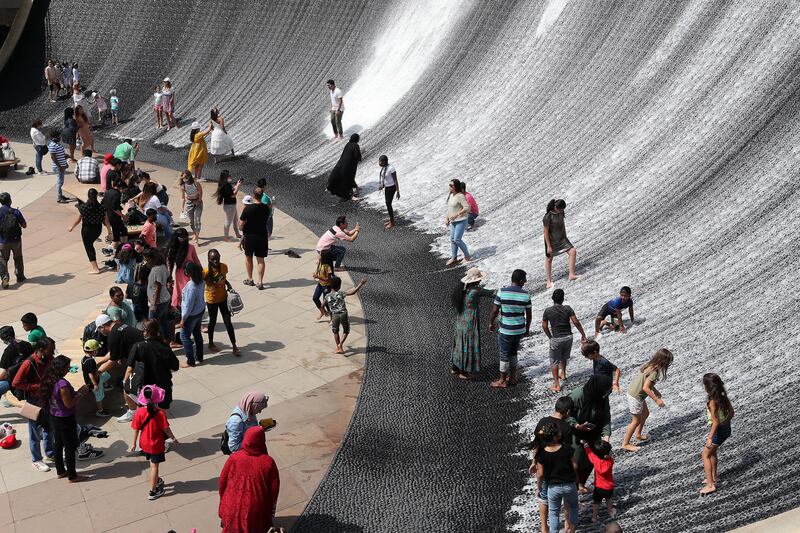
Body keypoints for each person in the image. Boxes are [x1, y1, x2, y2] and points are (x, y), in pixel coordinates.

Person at [219, 426, 280, 532]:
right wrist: (268, 508)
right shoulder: (268, 462)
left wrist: (223, 500)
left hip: (230, 506)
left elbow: (222, 481)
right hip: (254, 511)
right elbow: (274, 489)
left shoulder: (234, 458)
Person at [41, 354, 90, 482]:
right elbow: (69, 404)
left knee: (58, 444)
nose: (69, 369)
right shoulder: (62, 384)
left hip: (54, 416)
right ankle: (72, 476)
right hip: (65, 419)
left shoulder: (50, 379)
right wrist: (81, 393)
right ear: (61, 369)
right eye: (67, 367)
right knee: (69, 447)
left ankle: (61, 471)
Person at [530, 397, 574, 533]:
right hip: (561, 470)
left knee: (544, 498)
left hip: (544, 465)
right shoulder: (566, 428)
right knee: (566, 500)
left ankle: (544, 528)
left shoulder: (543, 421)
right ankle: (567, 525)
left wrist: (533, 462)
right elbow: (567, 452)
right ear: (568, 411)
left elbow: (536, 443)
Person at [12, 337, 56, 472]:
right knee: (35, 432)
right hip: (34, 402)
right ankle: (36, 459)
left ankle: (50, 452)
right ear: (41, 350)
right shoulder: (28, 363)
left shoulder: (49, 359)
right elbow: (16, 383)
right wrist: (35, 386)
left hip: (47, 398)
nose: (53, 353)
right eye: (50, 350)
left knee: (49, 428)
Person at [564, 375, 613, 490]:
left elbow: (606, 416)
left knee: (592, 460)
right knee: (577, 461)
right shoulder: (577, 396)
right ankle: (573, 488)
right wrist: (577, 425)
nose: (609, 391)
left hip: (594, 433)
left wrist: (606, 435)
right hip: (576, 435)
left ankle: (581, 484)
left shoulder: (602, 396)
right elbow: (564, 413)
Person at [94, 313, 145, 423]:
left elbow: (112, 361)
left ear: (102, 327)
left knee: (127, 385)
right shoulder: (119, 327)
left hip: (142, 360)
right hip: (144, 355)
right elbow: (113, 353)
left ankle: (133, 413)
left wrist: (98, 372)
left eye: (99, 330)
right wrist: (100, 361)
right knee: (134, 385)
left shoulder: (113, 336)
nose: (100, 333)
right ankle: (140, 405)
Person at [131, 384, 178, 500]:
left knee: (151, 464)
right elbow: (166, 429)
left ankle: (156, 480)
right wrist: (173, 438)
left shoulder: (139, 412)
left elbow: (136, 429)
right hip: (156, 444)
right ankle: (153, 491)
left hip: (144, 443)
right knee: (154, 466)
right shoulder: (160, 413)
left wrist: (134, 444)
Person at [622, 348, 673, 452]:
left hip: (635, 392)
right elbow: (646, 388)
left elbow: (647, 383)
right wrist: (656, 400)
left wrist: (655, 390)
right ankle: (626, 444)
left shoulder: (650, 365)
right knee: (635, 421)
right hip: (636, 396)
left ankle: (638, 435)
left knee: (645, 413)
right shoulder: (655, 372)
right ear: (664, 362)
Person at [488, 269, 532, 388]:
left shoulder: (502, 292)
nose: (526, 281)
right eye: (525, 279)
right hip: (519, 330)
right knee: (513, 353)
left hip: (506, 330)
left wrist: (491, 323)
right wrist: (527, 329)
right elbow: (529, 315)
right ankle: (512, 378)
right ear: (521, 280)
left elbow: (495, 310)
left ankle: (502, 381)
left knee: (504, 354)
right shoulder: (526, 295)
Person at [535, 422, 579, 533]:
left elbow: (540, 474)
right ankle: (572, 530)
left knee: (554, 514)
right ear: (556, 436)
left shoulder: (541, 454)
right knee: (573, 508)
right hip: (569, 485)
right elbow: (575, 465)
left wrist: (539, 487)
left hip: (553, 488)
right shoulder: (567, 449)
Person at [126, 319, 179, 411]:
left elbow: (129, 369)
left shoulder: (138, 346)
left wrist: (125, 383)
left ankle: (132, 413)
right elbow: (175, 366)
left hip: (145, 388)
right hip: (164, 386)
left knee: (144, 411)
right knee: (162, 416)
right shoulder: (164, 345)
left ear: (146, 332)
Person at [541, 289, 587, 392]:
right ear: (563, 299)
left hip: (556, 338)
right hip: (568, 337)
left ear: (553, 299)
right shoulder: (568, 308)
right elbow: (576, 322)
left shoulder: (548, 311)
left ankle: (557, 385)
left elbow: (544, 326)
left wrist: (550, 337)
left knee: (554, 361)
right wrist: (583, 334)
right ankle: (563, 374)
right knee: (564, 356)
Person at [451, 267, 488, 380]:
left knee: (459, 342)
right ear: (476, 280)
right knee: (468, 344)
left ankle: (455, 367)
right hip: (470, 321)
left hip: (461, 319)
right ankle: (463, 371)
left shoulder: (462, 290)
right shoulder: (476, 291)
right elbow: (492, 293)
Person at [700, 373, 734, 496]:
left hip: (717, 431)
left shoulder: (712, 401)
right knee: (712, 452)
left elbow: (715, 421)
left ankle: (710, 485)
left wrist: (710, 438)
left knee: (705, 455)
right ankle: (714, 476)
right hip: (725, 429)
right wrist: (725, 424)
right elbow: (731, 412)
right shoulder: (722, 395)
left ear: (707, 387)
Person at [204, 249, 239, 355]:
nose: (215, 261)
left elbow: (224, 278)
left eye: (217, 258)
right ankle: (210, 343)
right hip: (212, 301)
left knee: (228, 323)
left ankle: (234, 346)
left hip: (223, 299)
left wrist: (228, 285)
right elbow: (199, 283)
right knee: (212, 322)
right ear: (209, 260)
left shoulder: (224, 267)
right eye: (212, 259)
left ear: (220, 256)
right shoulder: (205, 272)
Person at [67, 188, 109, 274]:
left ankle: (95, 268)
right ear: (97, 196)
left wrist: (72, 226)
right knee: (91, 246)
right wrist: (110, 232)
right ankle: (95, 267)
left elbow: (78, 219)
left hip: (87, 230)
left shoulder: (83, 207)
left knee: (89, 247)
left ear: (88, 196)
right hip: (97, 230)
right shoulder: (102, 207)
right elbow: (106, 221)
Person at [324, 276, 366, 354]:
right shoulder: (341, 293)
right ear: (339, 286)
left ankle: (338, 347)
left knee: (335, 331)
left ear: (330, 285)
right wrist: (361, 284)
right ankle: (341, 345)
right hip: (343, 313)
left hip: (335, 315)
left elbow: (322, 305)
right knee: (346, 330)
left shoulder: (327, 296)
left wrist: (325, 312)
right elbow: (353, 292)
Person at [238, 189, 270, 289]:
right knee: (261, 260)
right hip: (262, 236)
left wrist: (241, 228)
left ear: (253, 196)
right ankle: (260, 282)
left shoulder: (248, 209)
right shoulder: (266, 208)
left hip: (250, 236)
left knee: (248, 257)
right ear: (261, 196)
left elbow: (241, 224)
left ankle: (250, 279)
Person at [543, 199, 578, 288]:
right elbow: (545, 232)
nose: (561, 211)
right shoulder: (548, 217)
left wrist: (565, 236)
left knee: (572, 251)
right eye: (560, 209)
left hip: (562, 237)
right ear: (555, 207)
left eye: (562, 210)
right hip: (551, 240)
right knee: (549, 259)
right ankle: (548, 281)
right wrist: (549, 246)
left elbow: (562, 224)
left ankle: (571, 274)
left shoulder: (561, 212)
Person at [581, 439, 615, 522]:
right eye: (610, 451)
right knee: (609, 499)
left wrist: (586, 444)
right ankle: (610, 512)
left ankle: (594, 517)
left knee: (596, 503)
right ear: (606, 456)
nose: (611, 452)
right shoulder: (610, 461)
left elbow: (590, 454)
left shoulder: (595, 460)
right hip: (609, 487)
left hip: (598, 488)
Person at [179, 262, 206, 367]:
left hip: (191, 315)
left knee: (184, 336)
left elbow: (188, 306)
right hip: (200, 311)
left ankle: (190, 361)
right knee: (197, 334)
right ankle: (199, 356)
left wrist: (183, 319)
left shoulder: (191, 286)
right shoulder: (201, 281)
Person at [166, 228, 201, 308]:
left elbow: (197, 261)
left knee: (191, 294)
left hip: (191, 274)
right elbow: (169, 263)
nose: (184, 240)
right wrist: (169, 277)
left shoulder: (191, 247)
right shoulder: (173, 249)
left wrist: (200, 273)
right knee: (181, 294)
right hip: (180, 276)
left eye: (186, 237)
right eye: (182, 238)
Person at [143, 248, 172, 341]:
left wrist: (154, 304)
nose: (146, 261)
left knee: (153, 325)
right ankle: (167, 341)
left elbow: (157, 287)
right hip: (165, 299)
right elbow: (168, 278)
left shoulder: (156, 270)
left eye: (147, 259)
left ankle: (159, 342)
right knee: (163, 322)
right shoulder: (163, 266)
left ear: (152, 259)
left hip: (158, 302)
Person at [0, 192, 27, 288]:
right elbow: (24, 225)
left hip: (3, 241)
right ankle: (20, 276)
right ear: (10, 201)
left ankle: (5, 277)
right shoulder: (16, 212)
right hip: (16, 241)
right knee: (18, 257)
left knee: (3, 259)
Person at [0, 326, 32, 405]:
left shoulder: (8, 351)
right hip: (29, 376)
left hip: (16, 380)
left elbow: (6, 372)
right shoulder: (27, 345)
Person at [81, 339, 112, 417]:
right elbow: (90, 374)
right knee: (99, 396)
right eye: (97, 350)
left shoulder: (84, 359)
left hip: (95, 377)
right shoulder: (90, 361)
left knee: (106, 375)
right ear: (93, 351)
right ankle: (100, 411)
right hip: (94, 381)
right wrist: (95, 384)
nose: (97, 351)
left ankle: (105, 385)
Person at [445, 179, 472, 265]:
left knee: (457, 239)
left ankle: (467, 257)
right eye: (449, 185)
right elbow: (449, 208)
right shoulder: (451, 195)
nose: (449, 186)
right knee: (452, 239)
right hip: (453, 221)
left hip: (461, 220)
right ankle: (454, 257)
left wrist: (457, 214)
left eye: (451, 185)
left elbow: (467, 207)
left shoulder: (460, 196)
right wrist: (446, 218)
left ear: (455, 187)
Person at [327, 133, 362, 200]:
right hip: (349, 165)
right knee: (349, 178)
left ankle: (355, 187)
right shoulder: (356, 145)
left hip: (341, 164)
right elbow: (357, 156)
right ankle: (351, 196)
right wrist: (359, 158)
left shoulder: (348, 144)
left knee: (347, 178)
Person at [213, 170, 242, 241]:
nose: (230, 176)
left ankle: (237, 234)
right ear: (225, 177)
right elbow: (233, 195)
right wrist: (238, 186)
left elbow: (231, 190)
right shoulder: (225, 186)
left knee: (235, 220)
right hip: (230, 206)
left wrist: (237, 184)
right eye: (229, 175)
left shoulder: (226, 184)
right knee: (228, 222)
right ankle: (226, 237)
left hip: (232, 205)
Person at [103, 177, 129, 253]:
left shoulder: (108, 191)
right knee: (119, 234)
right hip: (114, 217)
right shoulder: (117, 194)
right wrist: (123, 216)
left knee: (122, 230)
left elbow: (104, 203)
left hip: (108, 215)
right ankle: (119, 250)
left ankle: (122, 247)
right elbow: (114, 208)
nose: (124, 191)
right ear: (120, 188)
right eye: (124, 189)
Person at [180, 170, 203, 243]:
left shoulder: (196, 183)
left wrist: (199, 200)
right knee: (191, 222)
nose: (185, 179)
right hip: (189, 202)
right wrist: (182, 208)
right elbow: (182, 198)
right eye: (183, 178)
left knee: (197, 220)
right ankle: (195, 232)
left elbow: (200, 191)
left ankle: (196, 236)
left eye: (186, 177)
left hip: (197, 202)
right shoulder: (183, 186)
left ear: (190, 176)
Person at [378, 155, 400, 228]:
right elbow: (385, 178)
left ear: (384, 161)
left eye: (380, 161)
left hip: (392, 187)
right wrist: (383, 185)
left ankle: (392, 222)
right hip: (387, 187)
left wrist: (398, 191)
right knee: (388, 204)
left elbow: (395, 180)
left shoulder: (391, 168)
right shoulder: (384, 168)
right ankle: (391, 220)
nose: (379, 163)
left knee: (388, 203)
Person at [312, 249, 334, 320]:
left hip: (327, 286)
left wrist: (318, 277)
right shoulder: (320, 262)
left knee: (327, 303)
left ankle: (332, 317)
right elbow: (318, 269)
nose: (319, 255)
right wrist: (316, 274)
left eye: (320, 254)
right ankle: (323, 311)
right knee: (315, 298)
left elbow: (329, 279)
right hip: (320, 284)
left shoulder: (328, 267)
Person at [48, 129, 69, 203]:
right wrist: (60, 166)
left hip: (61, 166)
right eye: (58, 136)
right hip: (58, 167)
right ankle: (59, 198)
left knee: (61, 182)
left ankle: (61, 195)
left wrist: (65, 162)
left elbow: (60, 155)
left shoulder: (57, 144)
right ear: (54, 137)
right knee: (59, 182)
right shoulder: (52, 145)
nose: (59, 137)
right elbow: (53, 157)